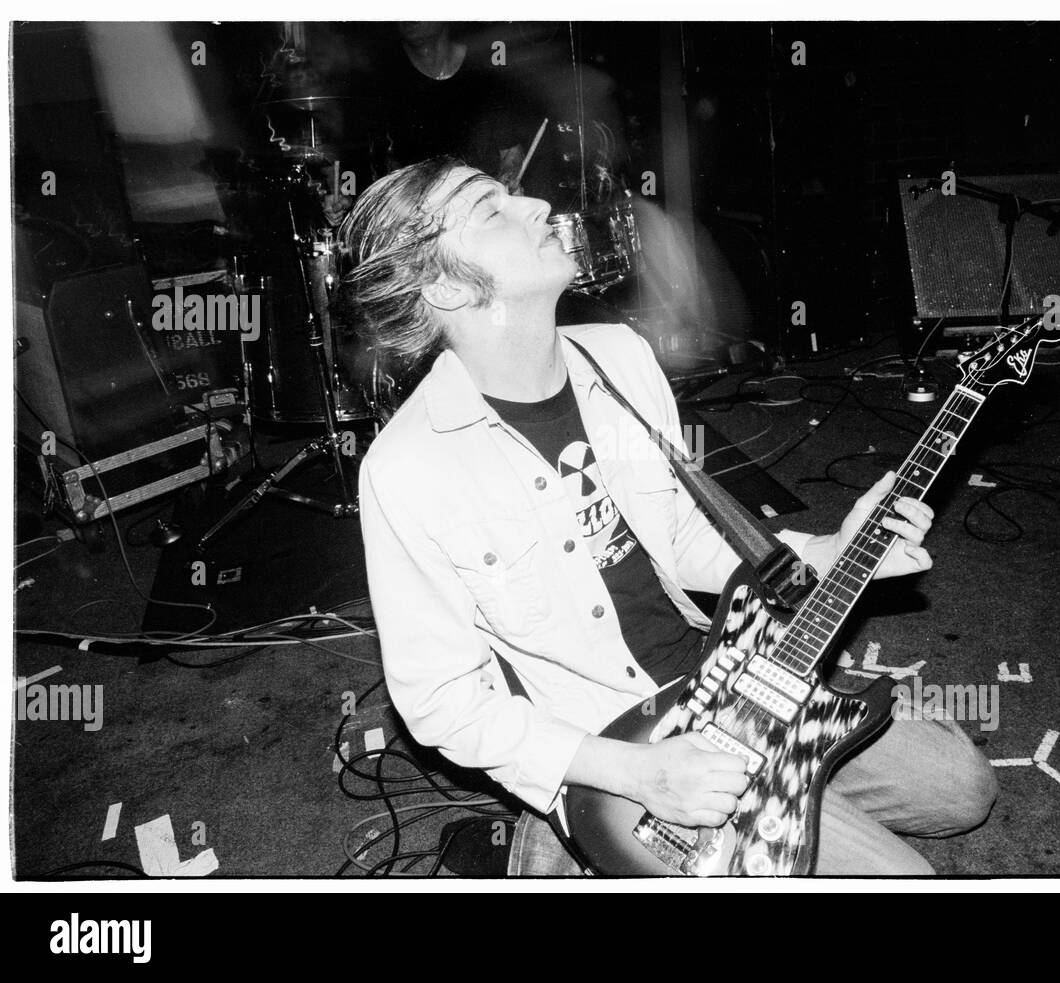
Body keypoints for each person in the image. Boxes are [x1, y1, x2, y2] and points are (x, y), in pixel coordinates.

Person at [343, 157, 996, 875]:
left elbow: (684, 534)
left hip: (717, 671)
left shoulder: (619, 358)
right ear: (442, 283)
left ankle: (778, 800)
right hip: (608, 750)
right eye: (492, 209)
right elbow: (441, 701)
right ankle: (568, 845)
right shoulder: (406, 468)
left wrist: (827, 548)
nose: (535, 205)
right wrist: (640, 775)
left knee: (963, 787)